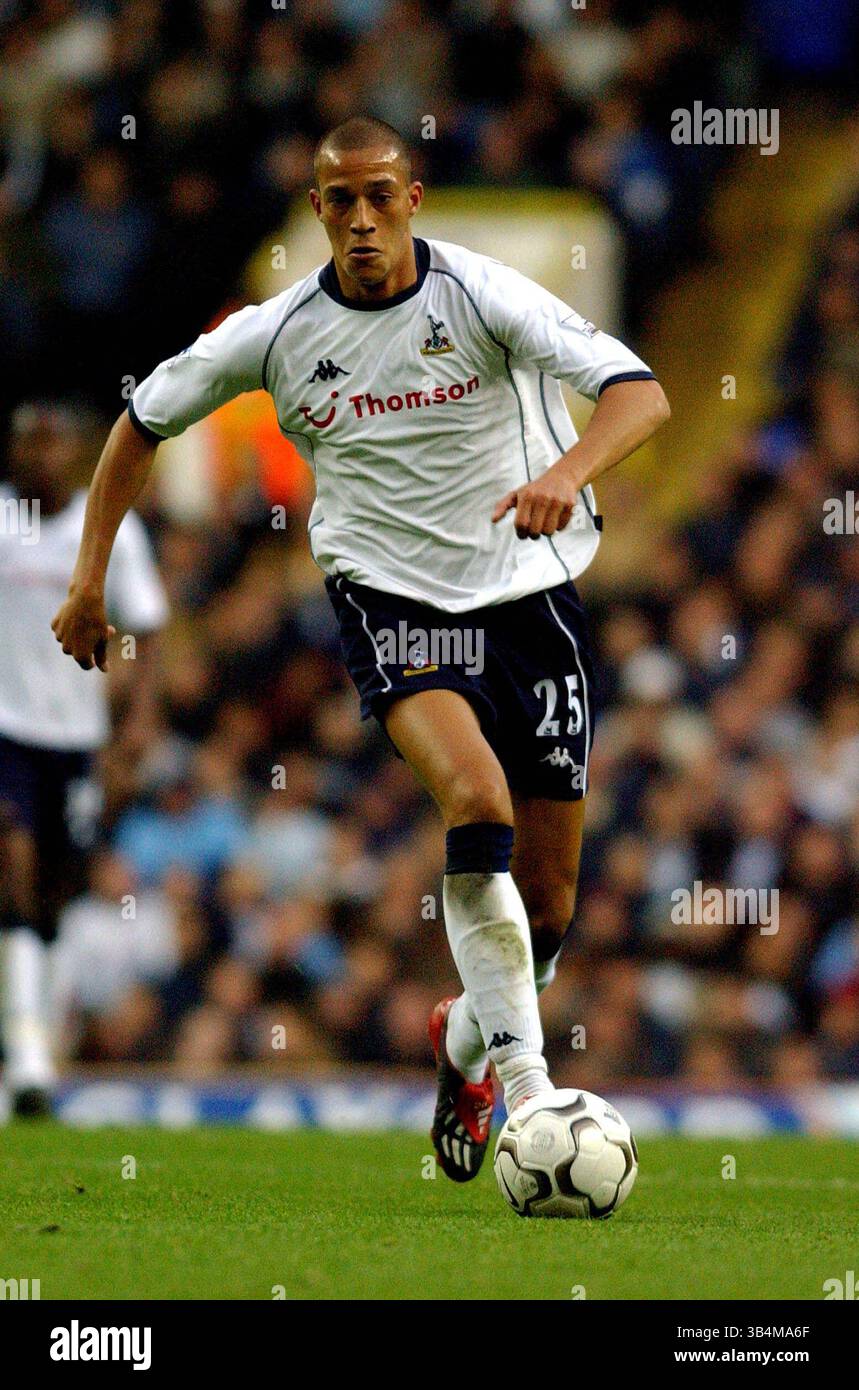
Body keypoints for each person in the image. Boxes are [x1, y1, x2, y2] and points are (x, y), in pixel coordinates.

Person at [52, 117, 668, 1179]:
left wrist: (566, 474)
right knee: (478, 802)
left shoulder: (482, 296)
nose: (365, 218)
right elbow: (138, 424)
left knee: (553, 907)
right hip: (392, 607)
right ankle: (530, 1094)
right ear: (318, 210)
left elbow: (641, 393)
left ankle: (464, 1039)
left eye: (383, 194)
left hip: (530, 598)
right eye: (343, 200)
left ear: (413, 197)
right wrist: (88, 575)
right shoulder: (274, 333)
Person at [1, 401, 167, 1115]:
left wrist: (135, 722)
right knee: (14, 859)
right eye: (26, 444)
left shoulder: (105, 537)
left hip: (74, 738)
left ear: (74, 455)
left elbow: (148, 628)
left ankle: (38, 1040)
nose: (38, 457)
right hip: (5, 727)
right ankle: (28, 1050)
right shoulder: (3, 522)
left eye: (50, 444)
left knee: (55, 894)